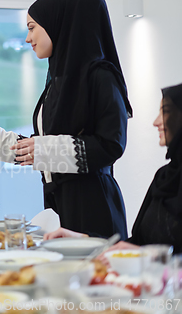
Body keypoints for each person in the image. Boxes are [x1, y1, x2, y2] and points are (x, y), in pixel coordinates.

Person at [0, 0, 133, 239]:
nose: (27, 37)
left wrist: (44, 149)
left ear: (59, 25)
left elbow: (112, 145)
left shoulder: (101, 76)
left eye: (32, 27)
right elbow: (41, 147)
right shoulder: (58, 81)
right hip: (59, 203)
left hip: (93, 206)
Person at [45, 83, 182, 254]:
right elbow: (137, 245)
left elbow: (144, 252)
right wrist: (82, 239)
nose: (156, 122)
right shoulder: (164, 176)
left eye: (166, 111)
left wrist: (145, 255)